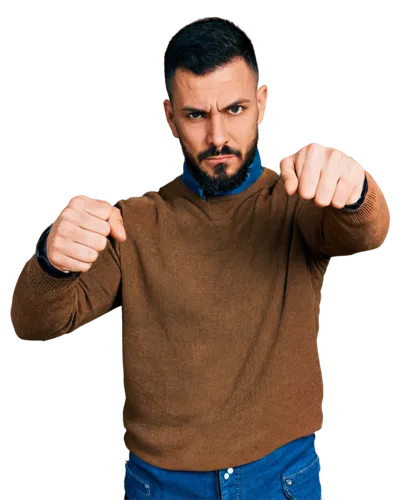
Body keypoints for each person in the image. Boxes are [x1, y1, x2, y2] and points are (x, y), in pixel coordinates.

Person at [9, 16, 391, 499]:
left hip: (281, 478)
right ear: (168, 116)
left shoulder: (297, 198)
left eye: (235, 109)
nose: (217, 138)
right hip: (160, 485)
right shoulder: (133, 221)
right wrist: (50, 260)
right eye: (196, 115)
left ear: (263, 104)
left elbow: (366, 233)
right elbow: (33, 323)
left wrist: (356, 190)